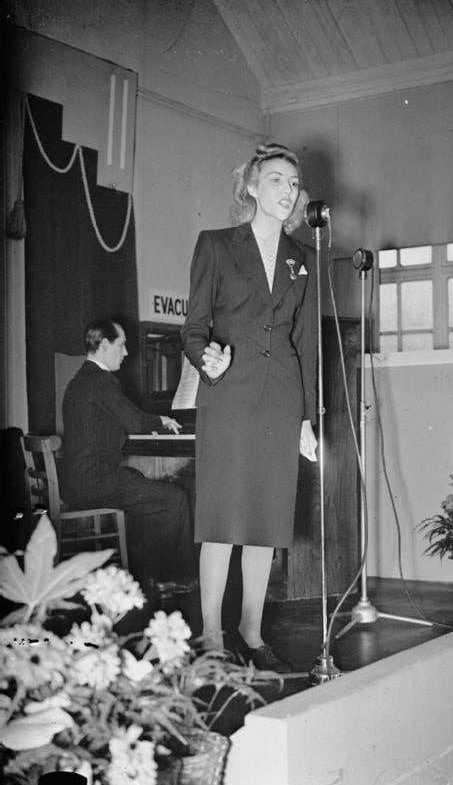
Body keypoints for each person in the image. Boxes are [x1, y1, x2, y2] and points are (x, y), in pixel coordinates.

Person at [181, 143, 318, 671]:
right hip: (228, 395)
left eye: (293, 184)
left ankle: (252, 630)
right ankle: (212, 635)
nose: (287, 192)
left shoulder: (300, 260)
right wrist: (205, 359)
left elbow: (304, 344)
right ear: (254, 188)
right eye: (277, 181)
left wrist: (306, 417)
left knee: (265, 524)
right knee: (221, 521)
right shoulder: (215, 245)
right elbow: (193, 328)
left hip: (280, 400)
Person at [61, 319, 197, 598]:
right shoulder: (101, 380)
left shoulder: (79, 381)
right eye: (121, 345)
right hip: (97, 483)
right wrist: (161, 419)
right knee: (174, 499)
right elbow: (134, 421)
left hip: (78, 482)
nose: (125, 353)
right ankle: (171, 578)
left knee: (140, 484)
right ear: (103, 344)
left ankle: (149, 571)